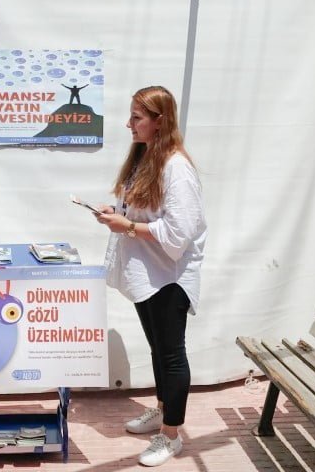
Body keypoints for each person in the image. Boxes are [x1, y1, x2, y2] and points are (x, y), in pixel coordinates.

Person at [94, 86, 206, 467]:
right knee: (159, 349)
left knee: (172, 354)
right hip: (149, 273)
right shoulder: (146, 158)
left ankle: (171, 436)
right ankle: (162, 410)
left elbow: (178, 234)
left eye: (137, 117)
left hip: (170, 277)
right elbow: (144, 214)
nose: (129, 123)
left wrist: (126, 226)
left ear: (160, 121)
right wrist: (118, 215)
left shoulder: (177, 168)